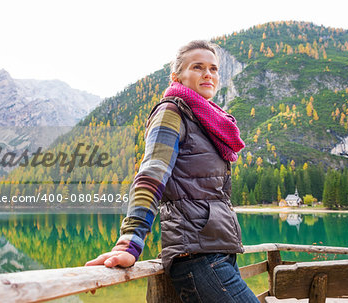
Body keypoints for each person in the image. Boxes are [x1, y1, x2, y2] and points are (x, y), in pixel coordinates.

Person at [86, 40, 259, 303]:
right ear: (176, 76)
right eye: (198, 67)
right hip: (197, 256)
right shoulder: (172, 112)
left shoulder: (207, 121)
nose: (208, 74)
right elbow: (151, 176)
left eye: (213, 69)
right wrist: (130, 242)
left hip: (217, 251)